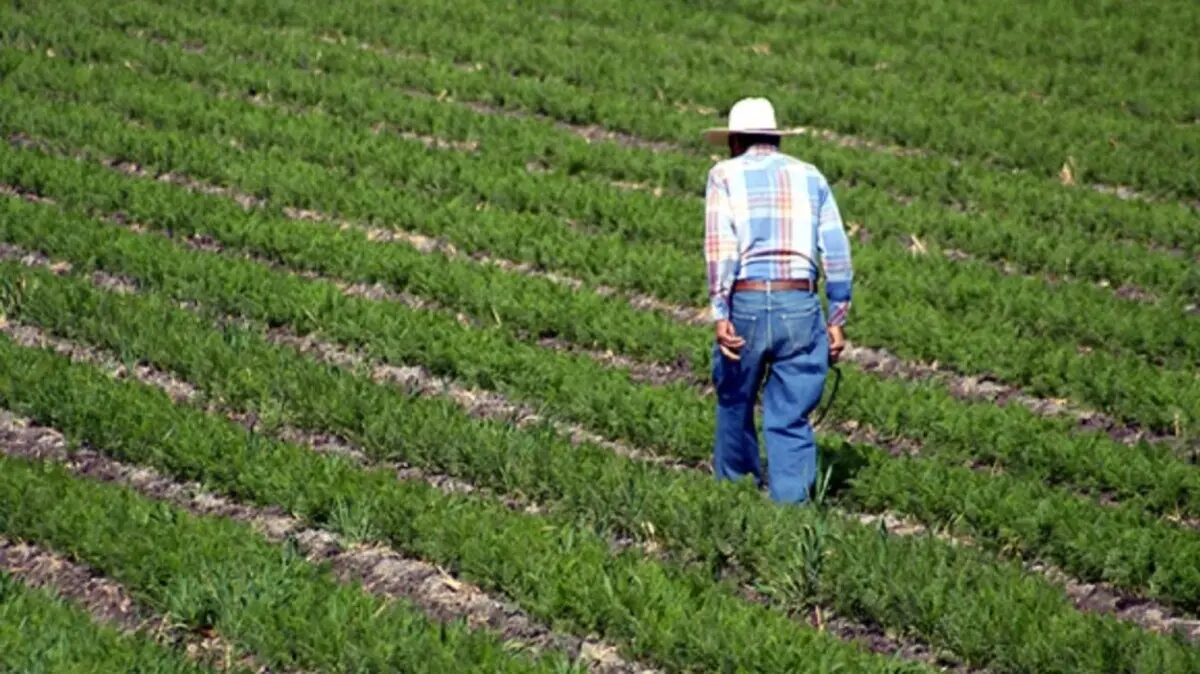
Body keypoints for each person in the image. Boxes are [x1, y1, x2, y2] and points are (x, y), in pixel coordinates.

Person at [702, 97, 853, 505]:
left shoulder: (724, 175)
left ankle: (737, 499)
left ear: (734, 141)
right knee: (790, 414)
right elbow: (836, 251)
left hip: (747, 301)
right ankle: (791, 512)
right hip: (800, 304)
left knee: (735, 401)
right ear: (775, 140)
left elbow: (722, 248)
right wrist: (837, 317)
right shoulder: (811, 176)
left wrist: (719, 311)